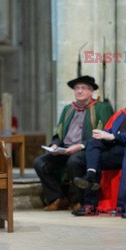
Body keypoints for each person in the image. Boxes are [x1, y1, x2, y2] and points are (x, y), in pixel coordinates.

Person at [73, 77, 126, 216]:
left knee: (93, 160)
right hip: (113, 149)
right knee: (93, 143)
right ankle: (90, 175)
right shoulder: (121, 113)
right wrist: (102, 135)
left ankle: (90, 203)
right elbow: (106, 133)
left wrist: (114, 137)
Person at [33, 75, 113, 211]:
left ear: (91, 91)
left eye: (83, 88)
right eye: (77, 88)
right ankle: (58, 198)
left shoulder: (101, 108)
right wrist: (54, 145)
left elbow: (103, 135)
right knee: (40, 162)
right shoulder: (68, 109)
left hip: (86, 149)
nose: (79, 91)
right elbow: (58, 133)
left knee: (74, 161)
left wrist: (81, 146)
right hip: (64, 149)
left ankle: (79, 201)